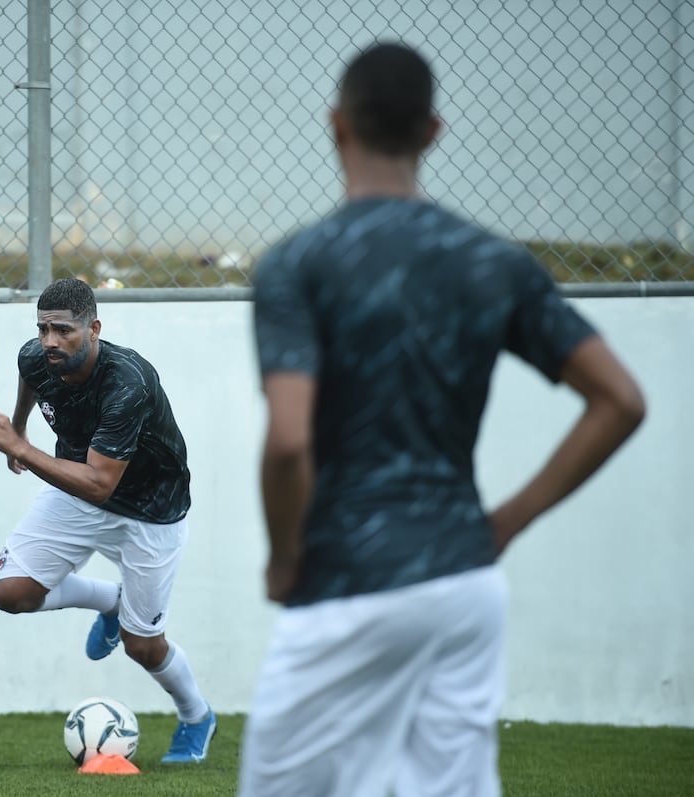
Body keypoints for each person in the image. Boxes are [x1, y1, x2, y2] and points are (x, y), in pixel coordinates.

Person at [240, 41, 647, 797]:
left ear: (336, 125)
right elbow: (620, 399)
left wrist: (282, 554)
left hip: (345, 580)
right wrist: (507, 521)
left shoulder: (298, 264)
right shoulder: (495, 262)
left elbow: (290, 439)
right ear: (433, 131)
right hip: (464, 581)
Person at [0, 277, 216, 763]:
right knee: (10, 592)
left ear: (94, 328)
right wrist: (19, 424)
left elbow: (101, 483)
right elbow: (31, 375)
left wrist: (21, 446)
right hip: (77, 491)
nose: (50, 342)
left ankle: (196, 717)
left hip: (150, 512)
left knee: (142, 647)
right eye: (43, 329)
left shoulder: (129, 383)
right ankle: (110, 601)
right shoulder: (37, 356)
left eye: (63, 330)